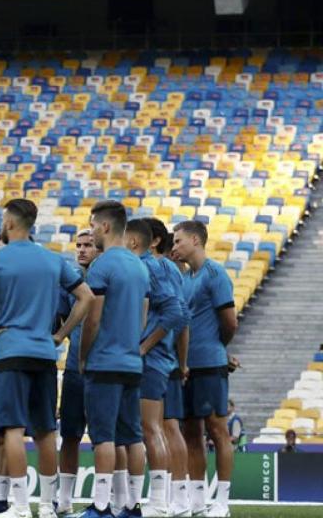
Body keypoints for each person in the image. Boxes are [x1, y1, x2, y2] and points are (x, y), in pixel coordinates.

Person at [0, 198, 93, 518]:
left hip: (10, 351)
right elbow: (85, 297)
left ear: (9, 223)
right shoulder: (53, 259)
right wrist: (61, 335)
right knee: (47, 430)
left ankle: (19, 506)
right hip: (45, 354)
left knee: (14, 430)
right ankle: (46, 505)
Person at [75, 203, 151, 518]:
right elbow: (144, 317)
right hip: (132, 361)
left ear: (105, 227)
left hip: (104, 361)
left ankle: (102, 506)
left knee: (103, 437)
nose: (91, 231)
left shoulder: (102, 266)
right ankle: (132, 505)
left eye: (93, 225)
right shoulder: (139, 266)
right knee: (132, 436)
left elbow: (92, 319)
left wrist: (83, 355)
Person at [173, 220, 238, 518]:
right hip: (187, 367)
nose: (174, 246)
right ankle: (198, 502)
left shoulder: (215, 274)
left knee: (217, 430)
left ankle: (222, 502)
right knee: (191, 433)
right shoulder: (185, 278)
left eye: (178, 241)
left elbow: (230, 322)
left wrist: (219, 349)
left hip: (210, 364)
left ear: (196, 240)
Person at [127, 219, 188, 517]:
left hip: (150, 360)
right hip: (160, 358)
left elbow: (177, 312)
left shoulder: (152, 268)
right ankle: (157, 501)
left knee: (149, 429)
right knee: (154, 429)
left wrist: (144, 346)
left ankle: (159, 502)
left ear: (150, 241)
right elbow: (182, 314)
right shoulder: (169, 270)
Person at [144, 220, 193, 516]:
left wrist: (181, 362)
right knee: (164, 426)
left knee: (166, 427)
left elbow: (180, 318)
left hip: (162, 357)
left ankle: (176, 497)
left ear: (152, 241)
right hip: (169, 357)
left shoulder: (161, 270)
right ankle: (179, 497)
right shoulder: (173, 271)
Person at [56, 229, 101, 515]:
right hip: (74, 367)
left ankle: (104, 497)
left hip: (102, 368)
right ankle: (64, 500)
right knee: (70, 434)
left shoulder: (107, 278)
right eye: (79, 245)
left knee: (103, 436)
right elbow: (60, 316)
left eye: (88, 245)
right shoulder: (67, 280)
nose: (82, 250)